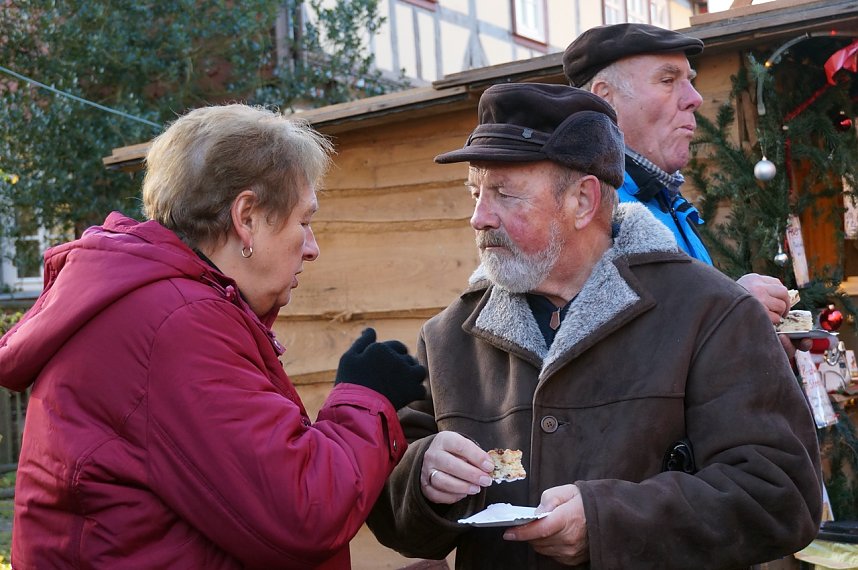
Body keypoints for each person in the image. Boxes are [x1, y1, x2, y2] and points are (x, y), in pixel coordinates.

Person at [366, 83, 822, 569]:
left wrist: (608, 521)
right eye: (476, 193)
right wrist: (422, 477)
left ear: (582, 201)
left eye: (503, 193)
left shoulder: (712, 313)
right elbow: (395, 512)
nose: (479, 218)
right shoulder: (449, 336)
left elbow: (781, 497)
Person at [0, 104, 426, 569]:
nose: (312, 247)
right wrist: (364, 400)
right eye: (304, 221)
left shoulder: (157, 306)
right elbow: (303, 510)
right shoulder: (174, 325)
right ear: (246, 217)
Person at [562, 23, 810, 355]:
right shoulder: (583, 211)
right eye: (667, 81)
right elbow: (605, 359)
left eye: (689, 81)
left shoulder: (666, 203)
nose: (695, 99)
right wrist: (732, 308)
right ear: (605, 99)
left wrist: (752, 340)